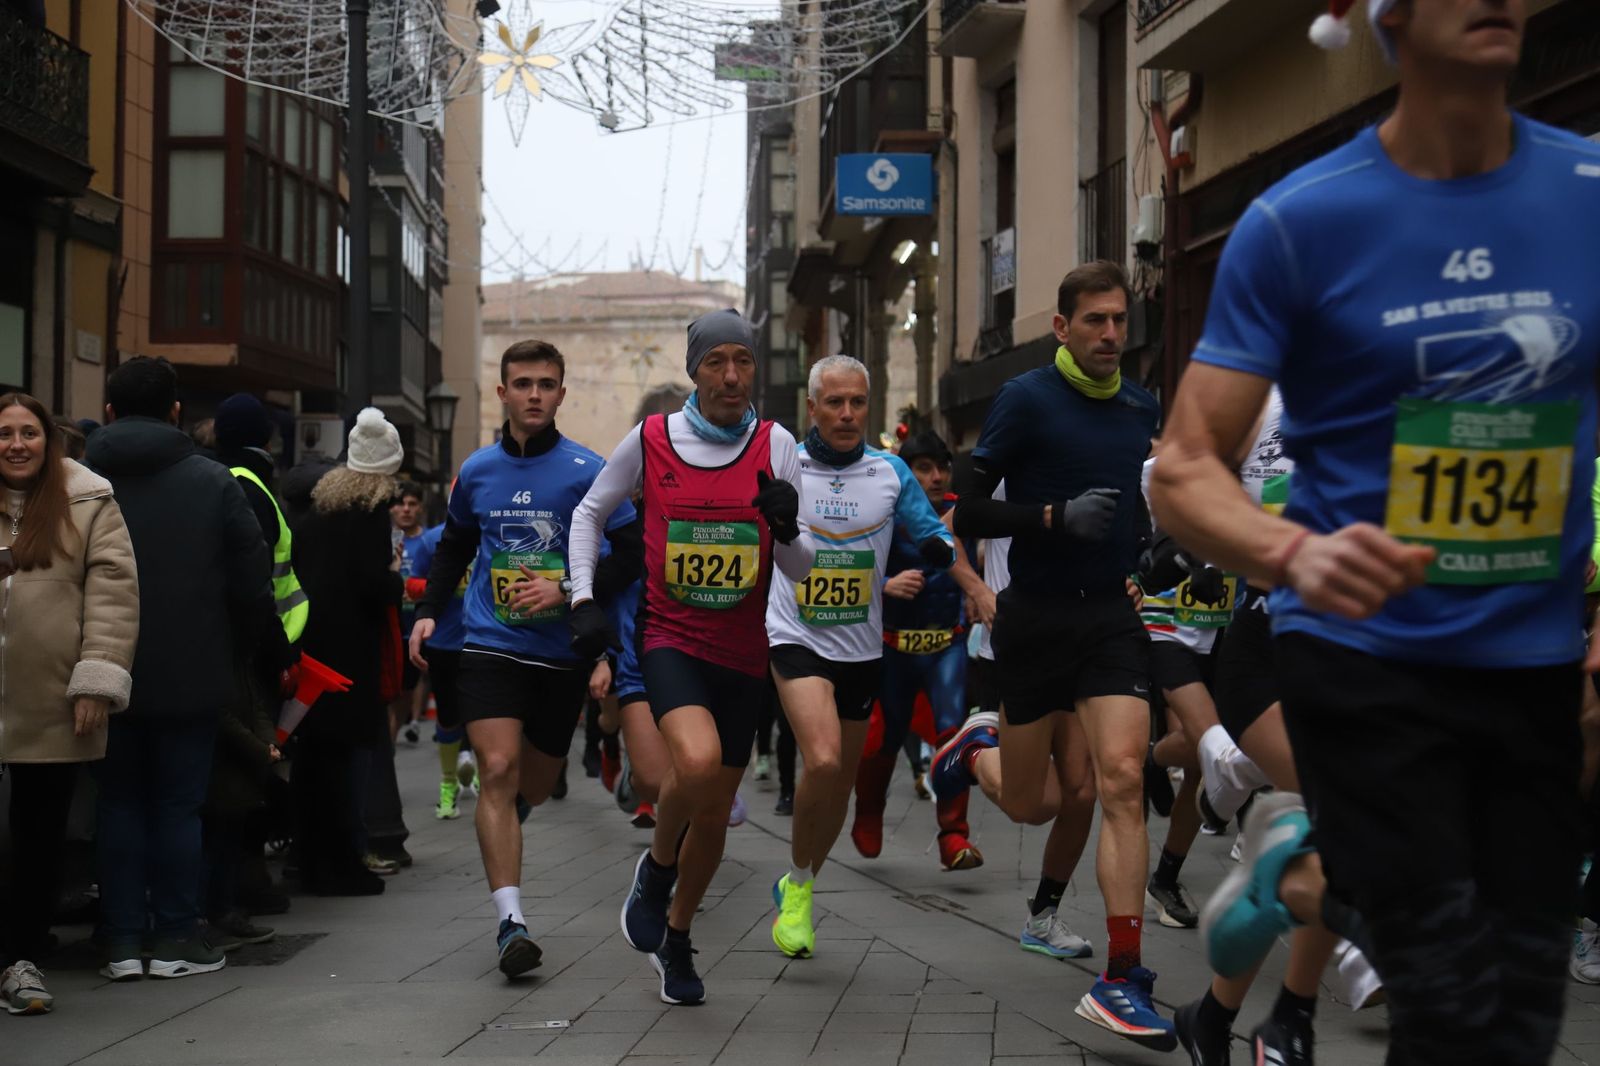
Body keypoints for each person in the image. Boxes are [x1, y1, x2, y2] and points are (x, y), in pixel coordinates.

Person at [1150, 2, 1600, 1062]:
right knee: (1444, 990)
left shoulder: (1585, 193)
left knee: (1517, 1010)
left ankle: (1304, 867)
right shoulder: (1301, 221)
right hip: (1360, 656)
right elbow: (1181, 469)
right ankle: (1329, 867)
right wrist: (1295, 551)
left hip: (1531, 661)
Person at [933, 261, 1170, 1050]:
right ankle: (975, 749)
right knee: (1034, 803)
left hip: (1109, 618)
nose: (1110, 334)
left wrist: (1157, 555)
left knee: (1121, 780)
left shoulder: (1142, 407)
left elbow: (1151, 501)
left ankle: (1121, 972)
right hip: (1033, 621)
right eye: (1094, 321)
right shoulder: (1025, 399)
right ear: (1062, 327)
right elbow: (965, 507)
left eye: (1119, 321)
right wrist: (1051, 516)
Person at [568, 309, 814, 1006]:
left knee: (713, 815)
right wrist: (582, 598)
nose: (732, 376)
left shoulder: (777, 444)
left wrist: (786, 525)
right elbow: (589, 514)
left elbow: (801, 567)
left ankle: (675, 937)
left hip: (743, 653)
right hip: (671, 638)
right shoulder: (652, 439)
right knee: (698, 766)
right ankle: (654, 870)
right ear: (694, 370)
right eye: (717, 362)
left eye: (743, 361)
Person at [410, 339, 641, 980]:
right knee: (497, 766)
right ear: (504, 391)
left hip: (559, 654)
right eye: (522, 383)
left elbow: (633, 554)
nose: (534, 394)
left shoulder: (587, 470)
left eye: (545, 384)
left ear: (561, 393)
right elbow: (455, 544)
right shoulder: (478, 470)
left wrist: (567, 590)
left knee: (530, 786)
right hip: (488, 644)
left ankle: (507, 819)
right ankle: (511, 922)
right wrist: (430, 609)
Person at [87, 356, 275, 980]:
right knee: (177, 807)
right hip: (193, 670)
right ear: (176, 411)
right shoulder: (213, 481)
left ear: (109, 410)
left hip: (99, 672)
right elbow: (253, 585)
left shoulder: (82, 479)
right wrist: (235, 652)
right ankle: (174, 937)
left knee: (116, 806)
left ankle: (118, 941)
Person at [764, 357, 953, 959]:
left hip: (860, 649)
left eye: (858, 403)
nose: (847, 415)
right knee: (820, 761)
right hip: (793, 635)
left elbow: (936, 534)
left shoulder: (890, 472)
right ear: (813, 406)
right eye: (835, 403)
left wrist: (936, 548)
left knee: (840, 788)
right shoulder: (781, 462)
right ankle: (798, 895)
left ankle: (798, 883)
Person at [0, 392, 138, 1014]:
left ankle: (21, 960)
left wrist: (97, 681)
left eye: (29, 432)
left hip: (51, 697)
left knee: (38, 837)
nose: (16, 444)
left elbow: (113, 592)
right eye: (4, 433)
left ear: (48, 441)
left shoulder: (88, 502)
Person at [849, 430, 988, 872]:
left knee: (953, 735)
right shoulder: (881, 512)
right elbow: (845, 560)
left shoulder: (959, 511)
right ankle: (869, 812)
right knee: (881, 744)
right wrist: (885, 584)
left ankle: (954, 836)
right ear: (904, 472)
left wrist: (977, 591)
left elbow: (989, 553)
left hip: (947, 645)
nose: (934, 476)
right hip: (892, 648)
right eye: (923, 468)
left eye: (941, 467)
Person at [290, 408, 406, 896]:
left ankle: (310, 859)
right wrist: (395, 578)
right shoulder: (371, 514)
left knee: (315, 761)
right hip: (350, 654)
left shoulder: (319, 508)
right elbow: (371, 584)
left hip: (310, 647)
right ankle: (341, 863)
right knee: (345, 764)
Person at [205, 392, 303, 946]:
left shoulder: (223, 474)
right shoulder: (249, 483)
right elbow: (257, 579)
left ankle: (231, 887)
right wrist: (277, 651)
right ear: (267, 437)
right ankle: (234, 891)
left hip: (236, 649)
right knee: (242, 775)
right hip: (249, 656)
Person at [408, 515, 474, 821]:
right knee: (448, 717)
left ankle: (484, 778)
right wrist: (440, 584)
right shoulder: (432, 539)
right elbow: (413, 582)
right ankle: (448, 783)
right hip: (444, 642)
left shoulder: (496, 532)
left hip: (485, 639)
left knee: (484, 714)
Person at [392, 482, 428, 743]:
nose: (406, 510)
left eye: (412, 504)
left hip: (414, 627)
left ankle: (408, 723)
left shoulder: (427, 542)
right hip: (387, 624)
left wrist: (418, 591)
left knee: (408, 686)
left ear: (420, 509)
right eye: (401, 504)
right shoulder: (382, 539)